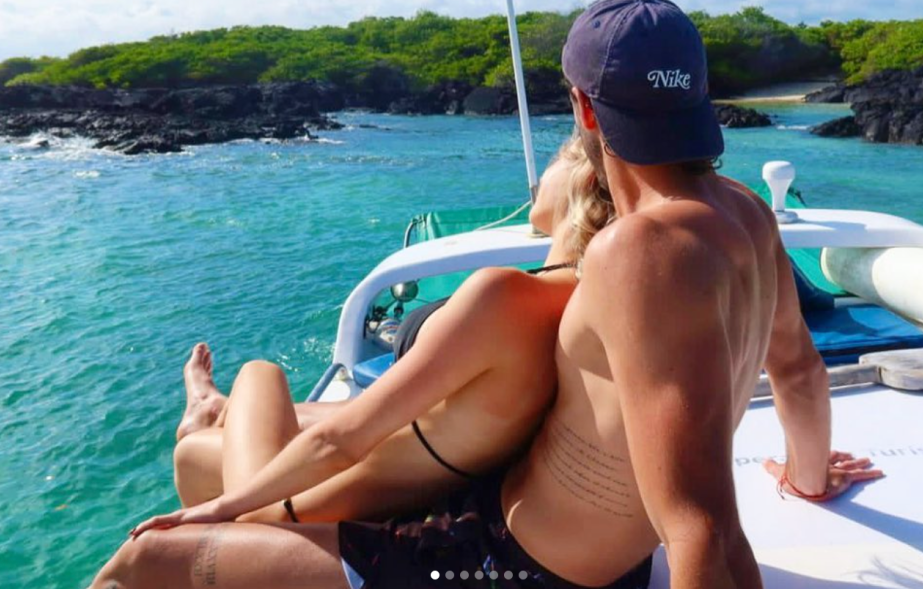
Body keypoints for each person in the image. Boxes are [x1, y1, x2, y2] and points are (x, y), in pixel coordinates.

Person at [91, 0, 882, 589]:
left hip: (505, 568)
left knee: (143, 558)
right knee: (216, 462)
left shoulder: (638, 252)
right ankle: (218, 432)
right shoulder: (745, 214)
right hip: (519, 529)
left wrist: (224, 514)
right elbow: (797, 368)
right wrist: (807, 477)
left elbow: (704, 526)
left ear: (580, 110)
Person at [88, 135, 613, 589]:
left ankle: (211, 410)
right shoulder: (581, 305)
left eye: (550, 164)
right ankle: (210, 413)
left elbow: (338, 444)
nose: (535, 181)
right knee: (195, 454)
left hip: (306, 506)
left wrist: (218, 513)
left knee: (259, 374)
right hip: (408, 477)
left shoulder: (505, 298)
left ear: (584, 175)